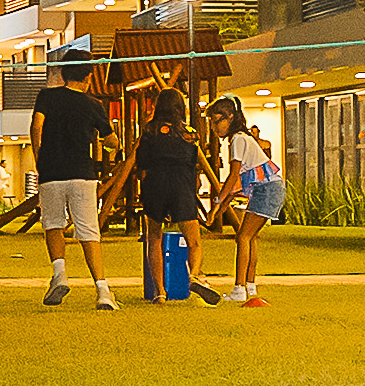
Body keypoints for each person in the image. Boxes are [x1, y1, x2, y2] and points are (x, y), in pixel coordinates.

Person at [32, 52, 118, 310]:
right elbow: (111, 140)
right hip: (82, 173)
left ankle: (59, 275)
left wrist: (39, 158)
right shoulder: (93, 105)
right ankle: (102, 290)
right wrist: (111, 143)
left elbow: (36, 126)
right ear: (88, 77)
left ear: (63, 73)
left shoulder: (46, 97)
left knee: (53, 224)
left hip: (51, 173)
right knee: (89, 231)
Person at [132, 90, 211, 304]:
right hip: (181, 185)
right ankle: (194, 276)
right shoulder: (190, 133)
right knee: (194, 241)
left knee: (154, 238)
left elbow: (142, 165)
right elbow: (194, 165)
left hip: (155, 184)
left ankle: (159, 291)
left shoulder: (149, 131)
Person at [205, 96, 281, 306]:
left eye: (217, 121)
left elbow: (233, 176)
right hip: (271, 188)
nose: (214, 127)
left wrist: (218, 204)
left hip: (266, 190)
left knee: (243, 237)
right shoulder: (243, 138)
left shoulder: (238, 140)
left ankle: (239, 288)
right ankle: (249, 285)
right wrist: (219, 207)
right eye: (212, 122)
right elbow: (237, 183)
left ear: (230, 117)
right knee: (250, 237)